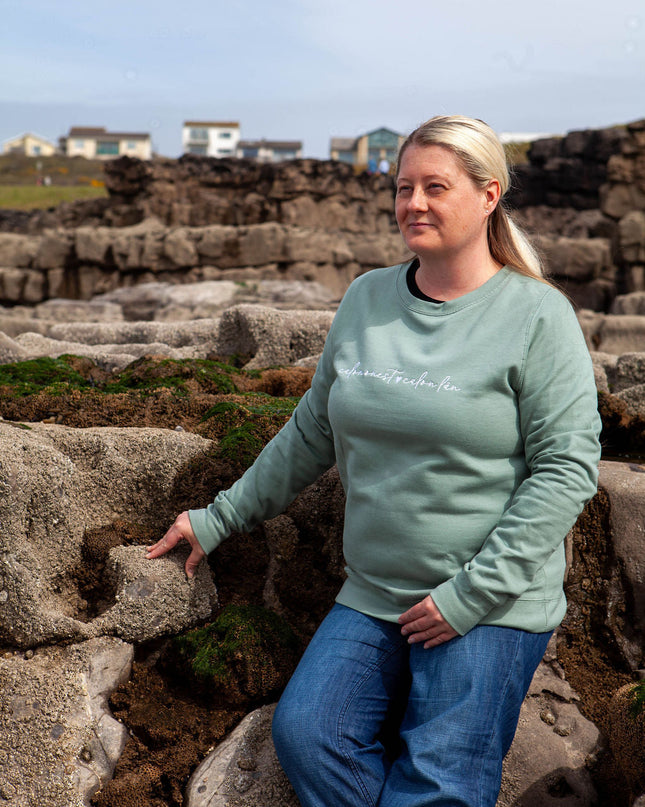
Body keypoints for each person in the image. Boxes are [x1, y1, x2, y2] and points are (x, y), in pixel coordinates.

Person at [146, 115, 601, 806]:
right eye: (403, 187)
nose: (413, 203)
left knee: (440, 782)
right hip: (374, 593)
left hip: (490, 602)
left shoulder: (539, 315)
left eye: (434, 187)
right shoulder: (366, 297)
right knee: (309, 734)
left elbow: (566, 469)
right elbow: (312, 431)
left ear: (488, 195)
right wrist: (218, 517)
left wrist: (469, 596)